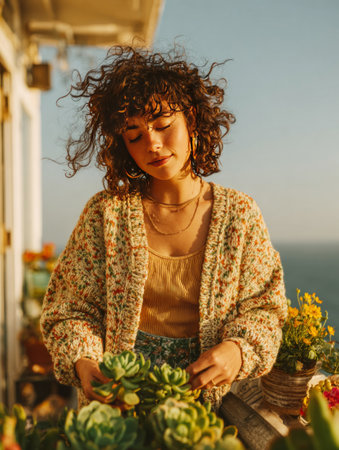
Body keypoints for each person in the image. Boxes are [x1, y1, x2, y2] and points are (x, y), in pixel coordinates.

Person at [40, 46, 288, 411]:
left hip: (208, 414)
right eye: (134, 134)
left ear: (193, 122)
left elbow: (265, 309)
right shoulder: (105, 214)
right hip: (116, 411)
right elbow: (69, 309)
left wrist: (239, 350)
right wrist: (84, 362)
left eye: (162, 125)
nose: (152, 144)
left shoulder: (240, 214)